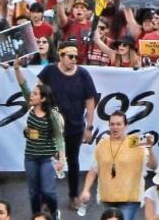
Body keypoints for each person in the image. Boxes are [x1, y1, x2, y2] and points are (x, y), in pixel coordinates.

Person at [39, 40, 98, 210]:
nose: (74, 59)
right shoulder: (49, 71)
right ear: (61, 55)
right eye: (70, 56)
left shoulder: (83, 74)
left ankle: (73, 195)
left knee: (73, 162)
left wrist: (89, 127)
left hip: (74, 126)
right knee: (48, 161)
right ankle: (46, 198)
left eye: (76, 56)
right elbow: (38, 91)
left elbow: (90, 101)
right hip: (51, 126)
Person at [12, 57, 65, 217]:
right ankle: (36, 215)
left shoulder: (52, 116)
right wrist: (16, 68)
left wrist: (61, 159)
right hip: (30, 157)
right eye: (32, 93)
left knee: (48, 191)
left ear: (42, 98)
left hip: (47, 158)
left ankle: (55, 212)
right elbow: (23, 85)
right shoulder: (31, 105)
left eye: (35, 94)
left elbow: (59, 138)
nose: (32, 95)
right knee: (33, 192)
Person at [81, 111, 157, 220]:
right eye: (112, 124)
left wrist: (150, 149)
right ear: (109, 125)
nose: (115, 127)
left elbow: (153, 166)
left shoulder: (135, 142)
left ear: (126, 126)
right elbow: (93, 170)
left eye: (118, 124)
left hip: (130, 198)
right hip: (107, 197)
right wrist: (85, 190)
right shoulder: (103, 143)